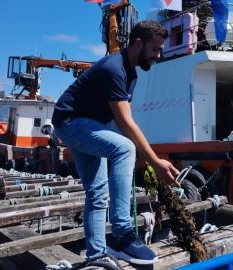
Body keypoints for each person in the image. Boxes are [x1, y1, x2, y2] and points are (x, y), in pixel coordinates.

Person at [52, 20, 180, 267]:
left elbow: (123, 119)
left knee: (97, 192)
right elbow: (125, 123)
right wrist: (154, 161)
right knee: (124, 147)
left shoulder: (130, 73)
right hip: (71, 122)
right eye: (155, 49)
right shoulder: (114, 69)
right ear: (138, 43)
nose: (159, 55)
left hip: (90, 125)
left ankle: (97, 255)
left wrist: (140, 154)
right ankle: (122, 234)